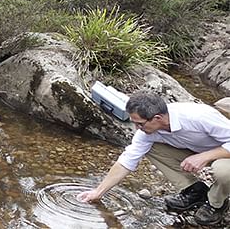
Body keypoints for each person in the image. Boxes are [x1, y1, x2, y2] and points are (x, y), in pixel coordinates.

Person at [77, 91, 230, 226]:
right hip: (196, 151)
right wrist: (98, 192)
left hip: (224, 154)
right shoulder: (147, 132)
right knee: (151, 147)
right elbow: (127, 160)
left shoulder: (197, 116)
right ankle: (194, 190)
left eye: (140, 124)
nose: (137, 128)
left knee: (223, 172)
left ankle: (216, 203)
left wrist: (205, 156)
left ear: (157, 118)